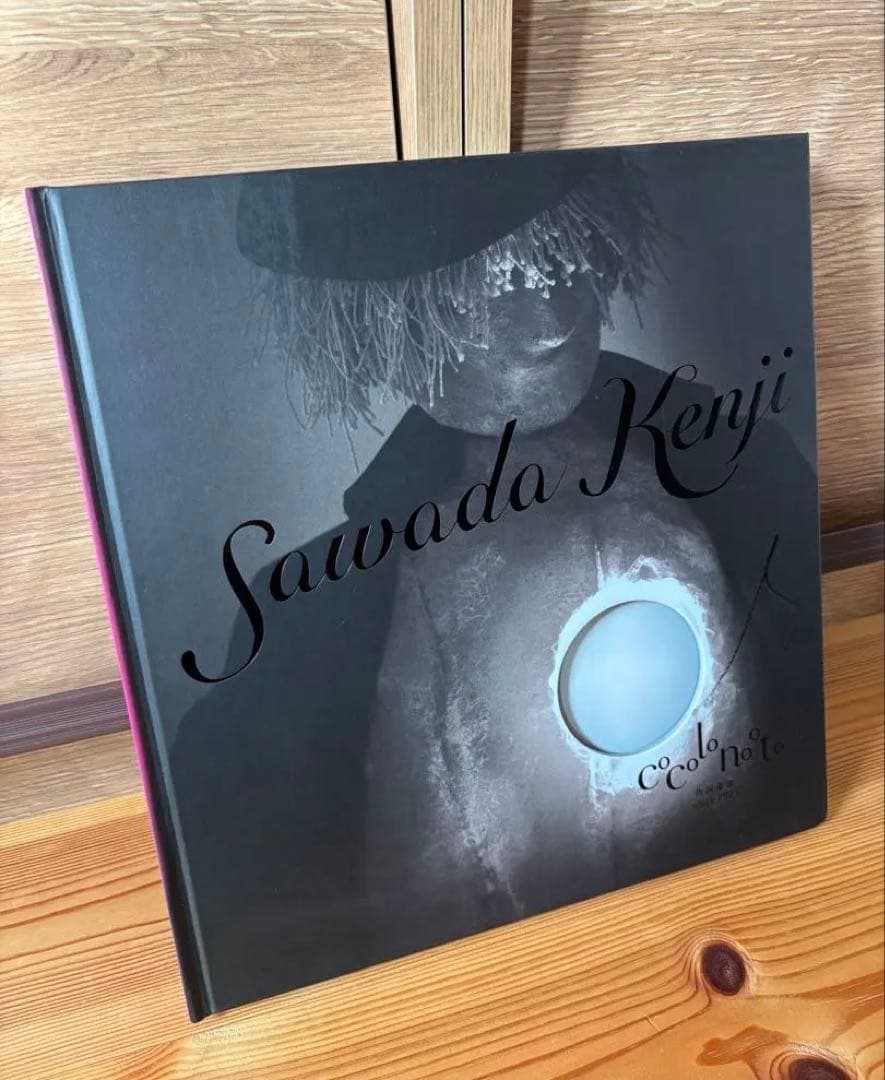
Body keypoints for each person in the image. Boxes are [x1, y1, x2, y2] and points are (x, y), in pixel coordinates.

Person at [171, 150, 822, 1012]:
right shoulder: (303, 620)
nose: (548, 312)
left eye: (564, 258)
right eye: (479, 284)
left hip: (747, 947)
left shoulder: (746, 472)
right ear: (380, 318)